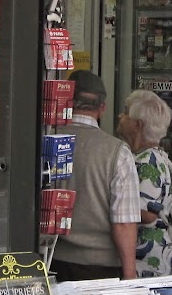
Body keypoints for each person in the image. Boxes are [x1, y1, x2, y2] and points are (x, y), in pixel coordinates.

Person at [52, 70, 141, 282]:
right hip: (100, 269)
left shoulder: (47, 140)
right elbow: (124, 222)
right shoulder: (117, 153)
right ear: (102, 108)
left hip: (52, 259)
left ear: (65, 102)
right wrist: (130, 273)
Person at [118, 89, 172, 279]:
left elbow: (148, 214)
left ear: (138, 125)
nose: (120, 116)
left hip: (148, 259)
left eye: (126, 112)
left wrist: (112, 208)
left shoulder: (147, 161)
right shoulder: (156, 156)